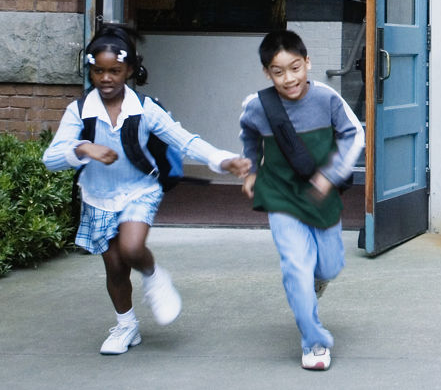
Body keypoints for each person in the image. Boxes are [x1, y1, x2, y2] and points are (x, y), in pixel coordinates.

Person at [42, 24, 251, 355]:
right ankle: (126, 327)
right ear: (90, 71)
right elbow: (50, 158)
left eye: (115, 71)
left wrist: (222, 160)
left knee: (132, 247)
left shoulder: (146, 108)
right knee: (114, 266)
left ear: (130, 70)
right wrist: (84, 148)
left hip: (140, 189)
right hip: (97, 196)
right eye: (98, 71)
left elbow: (185, 141)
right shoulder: (79, 111)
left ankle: (154, 277)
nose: (106, 78)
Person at [239, 29, 365, 371]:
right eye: (278, 72)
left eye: (295, 68)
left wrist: (331, 174)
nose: (288, 78)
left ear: (307, 63)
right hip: (280, 194)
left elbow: (355, 135)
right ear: (267, 72)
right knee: (296, 266)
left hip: (320, 194)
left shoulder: (327, 99)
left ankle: (314, 282)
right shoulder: (257, 106)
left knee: (329, 266)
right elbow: (248, 133)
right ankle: (314, 342)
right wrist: (250, 169)